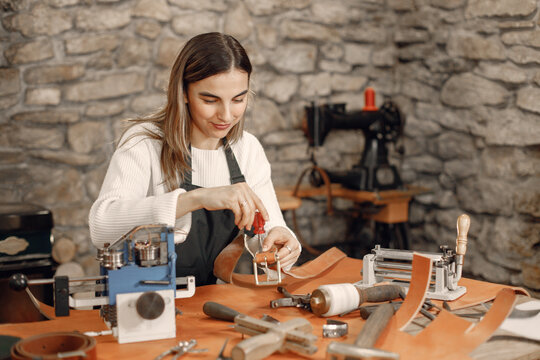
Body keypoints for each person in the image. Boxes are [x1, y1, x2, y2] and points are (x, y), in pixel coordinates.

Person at [89, 32, 301, 286]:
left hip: (208, 305)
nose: (226, 115)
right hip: (142, 302)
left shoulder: (247, 149)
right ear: (184, 92)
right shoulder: (145, 143)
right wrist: (196, 198)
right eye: (210, 100)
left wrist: (281, 243)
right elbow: (102, 226)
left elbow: (267, 231)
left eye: (238, 100)